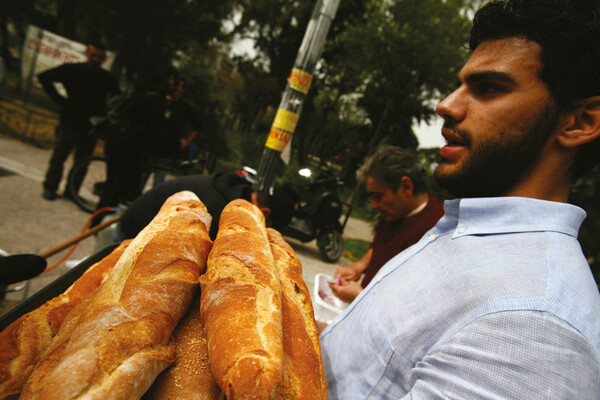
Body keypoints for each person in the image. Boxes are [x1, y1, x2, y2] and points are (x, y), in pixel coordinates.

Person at [319, 0, 600, 398]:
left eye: (488, 88)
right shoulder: (462, 233)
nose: (446, 105)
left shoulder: (535, 325)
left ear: (580, 122)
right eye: (461, 83)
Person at [329, 145, 443, 303]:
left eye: (378, 196)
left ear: (406, 187)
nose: (373, 205)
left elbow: (414, 302)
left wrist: (361, 296)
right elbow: (379, 245)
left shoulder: (436, 229)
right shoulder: (392, 212)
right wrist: (358, 266)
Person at [38, 41, 120, 201]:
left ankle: (72, 191)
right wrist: (60, 100)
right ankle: (50, 187)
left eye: (100, 57)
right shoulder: (73, 70)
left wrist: (106, 113)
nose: (96, 59)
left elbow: (118, 97)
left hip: (91, 125)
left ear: (104, 59)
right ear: (87, 54)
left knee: (82, 161)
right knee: (59, 156)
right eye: (93, 55)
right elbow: (44, 78)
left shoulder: (106, 78)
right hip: (71, 120)